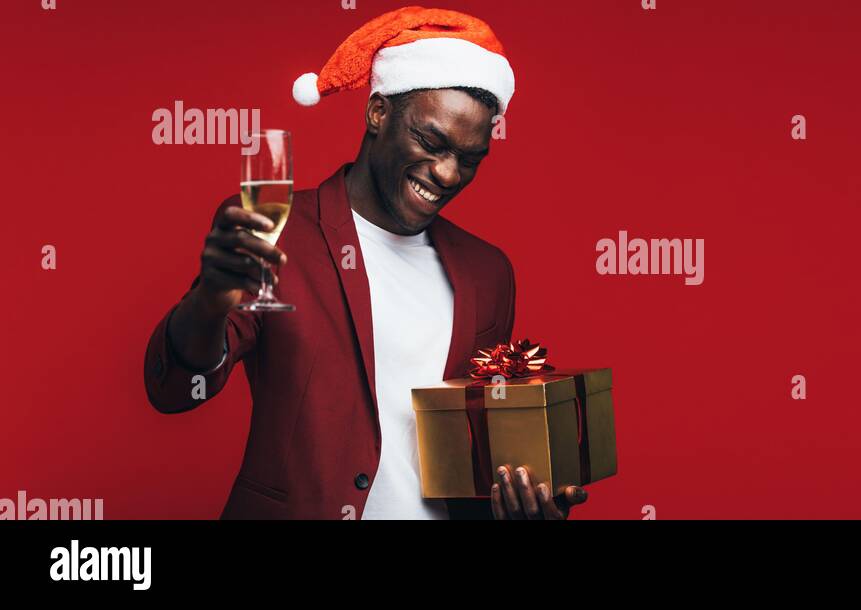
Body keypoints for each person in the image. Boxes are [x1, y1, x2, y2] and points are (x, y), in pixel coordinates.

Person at [143, 6, 586, 520]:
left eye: (469, 158)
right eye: (431, 141)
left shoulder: (488, 272)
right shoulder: (276, 228)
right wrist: (210, 301)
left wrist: (528, 502)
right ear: (378, 112)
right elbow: (176, 388)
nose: (447, 173)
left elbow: (476, 456)